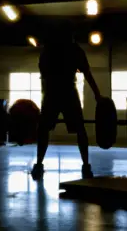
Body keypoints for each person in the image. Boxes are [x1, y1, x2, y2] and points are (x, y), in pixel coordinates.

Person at [31, 30, 101, 180]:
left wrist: (44, 96)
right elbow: (87, 74)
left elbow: (44, 76)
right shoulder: (74, 50)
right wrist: (97, 95)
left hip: (52, 93)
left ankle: (38, 165)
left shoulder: (48, 51)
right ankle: (86, 166)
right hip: (67, 92)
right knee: (79, 129)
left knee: (44, 129)